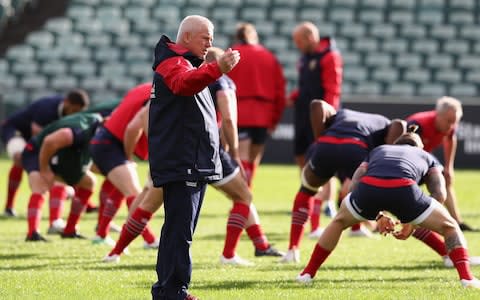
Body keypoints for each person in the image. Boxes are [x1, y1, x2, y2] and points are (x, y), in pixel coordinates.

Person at [102, 47, 282, 265]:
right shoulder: (222, 82)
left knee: (148, 204)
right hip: (208, 152)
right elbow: (228, 120)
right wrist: (234, 154)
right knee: (243, 196)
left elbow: (144, 117)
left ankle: (115, 252)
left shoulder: (181, 77)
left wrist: (157, 150)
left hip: (174, 153)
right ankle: (229, 254)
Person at [296, 131, 480, 288]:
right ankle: (466, 277)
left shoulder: (378, 150)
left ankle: (307, 273)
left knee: (338, 222)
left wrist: (375, 214)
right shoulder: (427, 156)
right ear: (420, 147)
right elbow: (439, 193)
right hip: (405, 188)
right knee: (450, 226)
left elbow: (355, 182)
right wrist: (413, 221)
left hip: (368, 188)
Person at [148, 15, 240, 300]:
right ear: (186, 37)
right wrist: (216, 70)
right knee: (179, 231)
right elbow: (183, 85)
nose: (210, 44)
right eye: (206, 38)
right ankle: (173, 291)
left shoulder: (185, 63)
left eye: (211, 39)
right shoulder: (174, 64)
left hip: (191, 160)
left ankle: (168, 289)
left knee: (178, 229)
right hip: (182, 160)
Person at [280, 100, 405, 263]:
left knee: (307, 190)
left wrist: (320, 140)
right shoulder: (386, 124)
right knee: (362, 191)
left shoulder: (341, 114)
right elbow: (400, 124)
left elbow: (316, 105)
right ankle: (377, 219)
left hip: (326, 146)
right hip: (356, 148)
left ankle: (292, 250)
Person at [290, 21, 344, 237]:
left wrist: (328, 117)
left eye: (299, 42)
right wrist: (291, 98)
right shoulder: (304, 58)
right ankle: (309, 198)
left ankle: (327, 202)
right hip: (302, 115)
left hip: (320, 117)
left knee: (322, 160)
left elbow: (333, 89)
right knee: (302, 158)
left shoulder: (329, 56)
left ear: (310, 37)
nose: (297, 46)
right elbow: (304, 88)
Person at [89, 83, 157, 248]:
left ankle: (101, 234)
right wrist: (128, 157)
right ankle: (150, 240)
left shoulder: (145, 88)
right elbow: (133, 128)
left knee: (118, 191)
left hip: (105, 140)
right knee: (134, 193)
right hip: (111, 144)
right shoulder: (158, 94)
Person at [1, 90, 89, 217]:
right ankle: (9, 207)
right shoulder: (47, 107)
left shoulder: (69, 112)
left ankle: (84, 202)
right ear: (66, 103)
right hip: (16, 130)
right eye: (73, 110)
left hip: (39, 139)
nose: (74, 114)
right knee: (20, 158)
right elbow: (37, 133)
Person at [21, 112, 102, 241]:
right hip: (36, 151)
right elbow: (49, 141)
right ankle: (32, 233)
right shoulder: (82, 130)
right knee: (40, 185)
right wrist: (44, 169)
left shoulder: (97, 129)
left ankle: (70, 230)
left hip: (60, 154)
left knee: (89, 182)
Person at [227, 22, 286, 187]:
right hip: (263, 116)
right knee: (254, 158)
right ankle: (247, 193)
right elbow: (280, 92)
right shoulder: (269, 57)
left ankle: (242, 198)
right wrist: (274, 120)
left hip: (238, 113)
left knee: (242, 156)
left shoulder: (231, 55)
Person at [407, 97, 474, 231]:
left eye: (454, 123)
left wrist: (449, 167)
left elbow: (450, 139)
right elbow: (406, 150)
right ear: (438, 115)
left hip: (423, 157)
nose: (451, 126)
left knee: (445, 178)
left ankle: (457, 222)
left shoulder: (449, 126)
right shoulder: (418, 124)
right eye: (448, 121)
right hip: (409, 159)